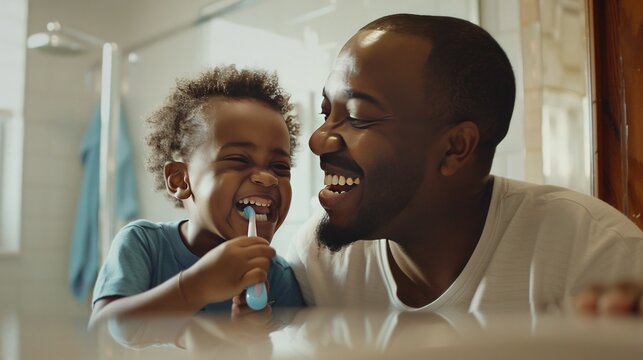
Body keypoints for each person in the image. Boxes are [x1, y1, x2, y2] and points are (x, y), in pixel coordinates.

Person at [286, 14, 643, 315]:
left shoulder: (596, 256)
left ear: (455, 148)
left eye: (358, 117)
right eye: (325, 111)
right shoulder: (319, 264)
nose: (319, 140)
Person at [89, 65, 304, 327]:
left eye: (280, 167)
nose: (267, 178)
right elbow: (103, 332)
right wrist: (197, 286)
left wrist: (252, 343)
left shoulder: (277, 278)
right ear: (179, 179)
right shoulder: (144, 245)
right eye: (238, 159)